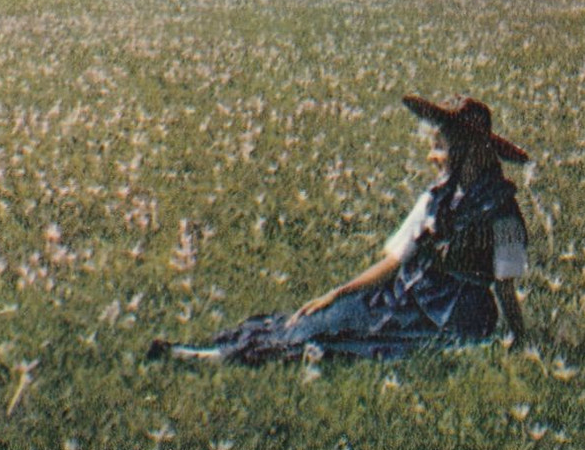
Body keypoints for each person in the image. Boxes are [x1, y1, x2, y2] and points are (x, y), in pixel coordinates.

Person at [147, 94, 530, 364]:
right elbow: (395, 262)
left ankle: (212, 359)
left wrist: (521, 337)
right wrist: (338, 293)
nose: (432, 156)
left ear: (471, 152)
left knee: (343, 342)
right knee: (322, 318)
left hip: (458, 318)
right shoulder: (435, 198)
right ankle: (213, 352)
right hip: (405, 299)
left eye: (441, 148)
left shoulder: (501, 212)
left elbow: (505, 286)